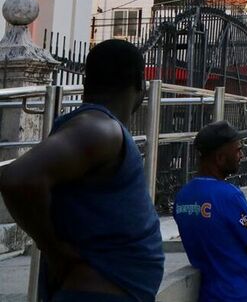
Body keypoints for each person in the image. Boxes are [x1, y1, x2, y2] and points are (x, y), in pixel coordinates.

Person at [0, 39, 164, 302]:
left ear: (87, 82)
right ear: (140, 84)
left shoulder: (101, 127)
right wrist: (55, 250)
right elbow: (17, 178)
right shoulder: (100, 128)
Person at [174, 121, 247, 302]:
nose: (241, 155)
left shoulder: (182, 198)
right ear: (220, 158)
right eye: (237, 150)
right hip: (243, 295)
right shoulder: (229, 196)